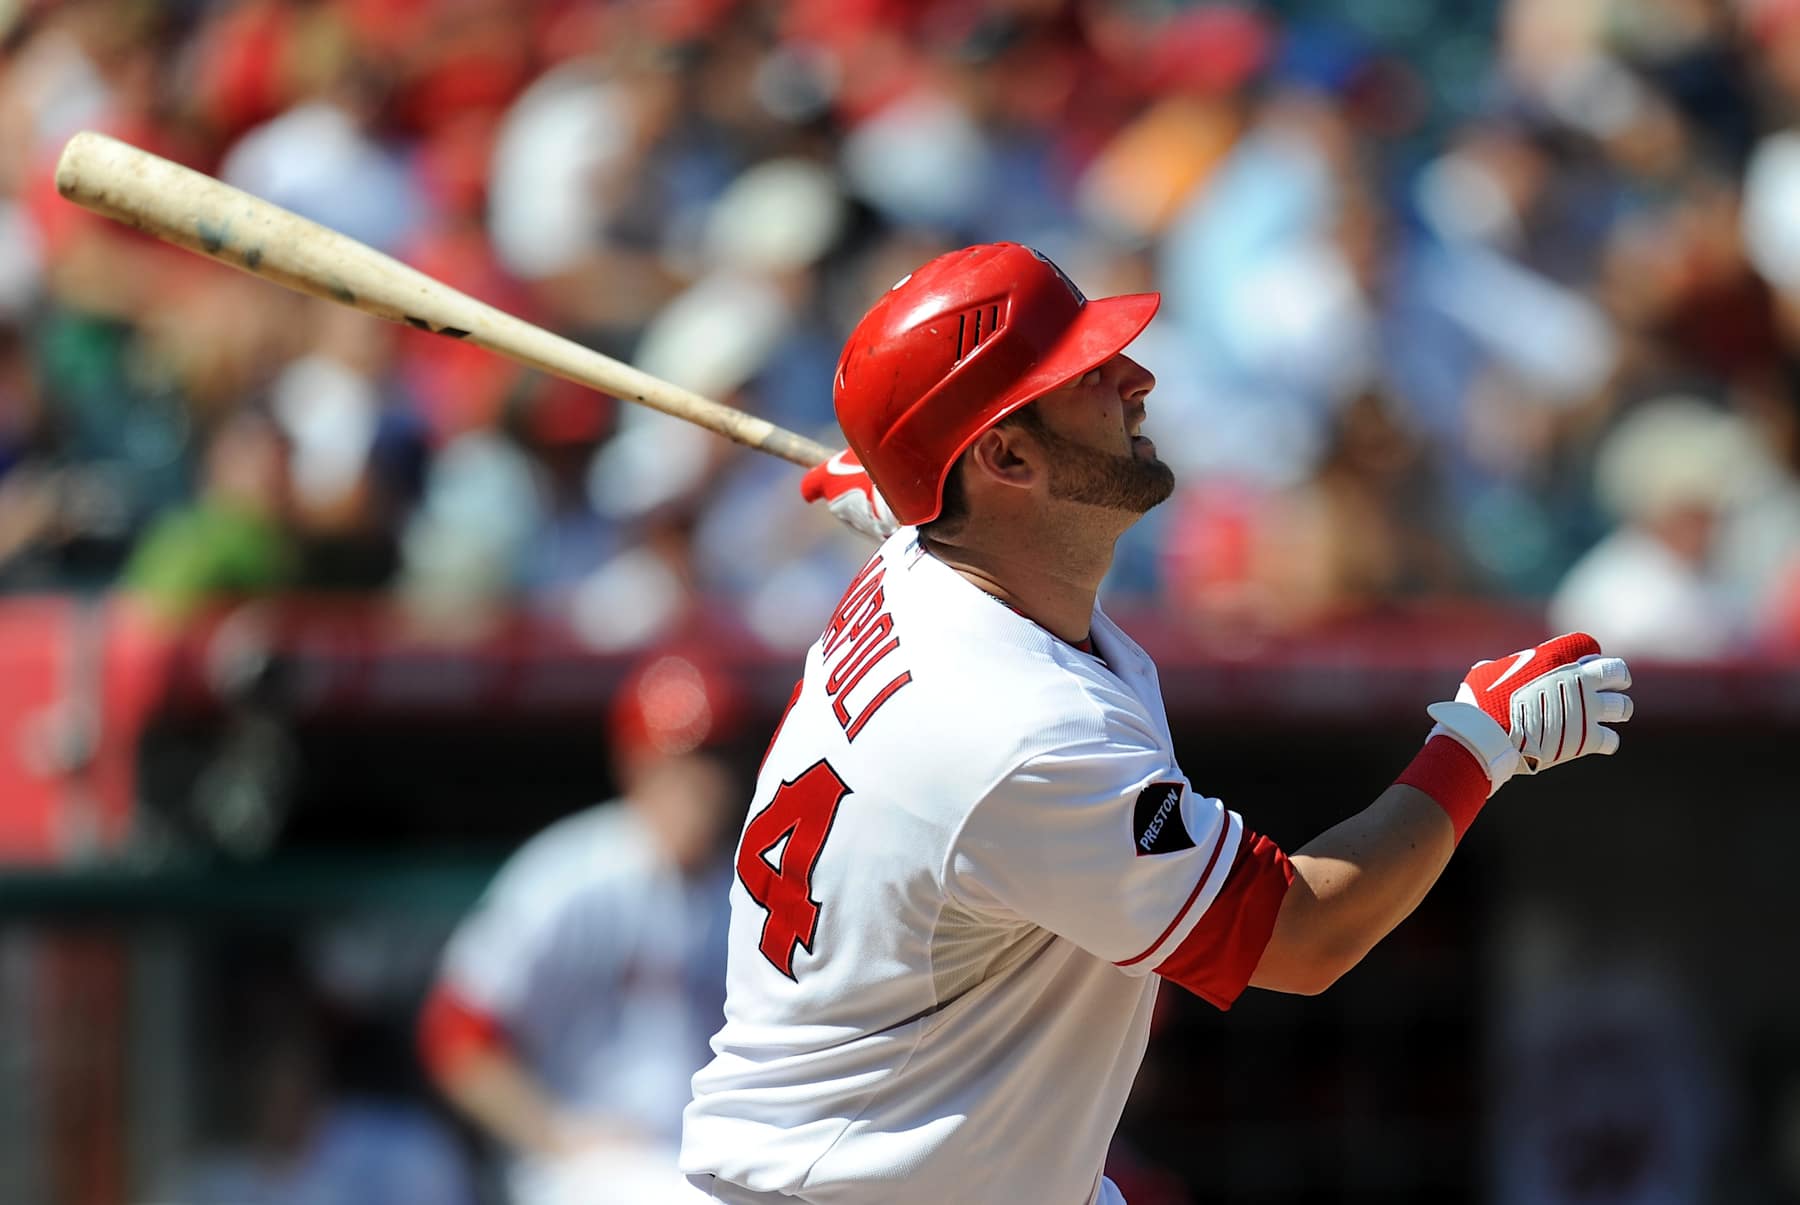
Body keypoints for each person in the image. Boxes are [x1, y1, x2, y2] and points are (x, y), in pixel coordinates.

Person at [679, 242, 1636, 1204]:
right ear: (1006, 457)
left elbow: (943, 534)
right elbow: (1306, 933)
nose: (1134, 380)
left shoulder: (922, 569)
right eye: (1085, 376)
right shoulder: (1022, 729)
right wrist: (1478, 745)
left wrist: (908, 481)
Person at [419, 650, 744, 1205]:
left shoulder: (745, 892)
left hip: (700, 1158)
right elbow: (454, 1035)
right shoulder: (567, 877)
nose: (700, 785)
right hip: (575, 1167)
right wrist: (557, 1135)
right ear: (635, 766)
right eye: (680, 762)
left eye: (713, 761)